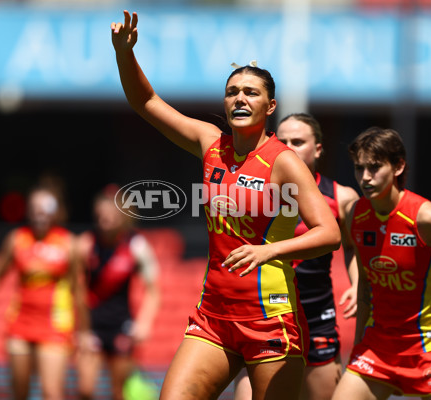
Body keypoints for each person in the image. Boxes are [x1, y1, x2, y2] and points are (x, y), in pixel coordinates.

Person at [111, 10, 341, 400]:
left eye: (251, 92)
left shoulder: (283, 161)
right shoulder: (209, 142)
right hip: (213, 315)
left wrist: (269, 250)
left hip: (271, 318)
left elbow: (330, 233)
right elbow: (145, 101)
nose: (240, 98)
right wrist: (124, 54)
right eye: (233, 91)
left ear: (270, 107)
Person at [332, 127, 431, 400]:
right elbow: (362, 280)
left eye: (374, 167)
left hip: (430, 347)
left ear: (398, 166)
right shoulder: (354, 214)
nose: (365, 177)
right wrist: (358, 345)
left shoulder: (427, 218)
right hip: (377, 348)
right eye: (359, 168)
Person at [234, 113, 360, 400]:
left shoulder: (342, 197)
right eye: (283, 140)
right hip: (264, 315)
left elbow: (353, 246)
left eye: (298, 141)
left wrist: (356, 284)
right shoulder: (256, 190)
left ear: (317, 148)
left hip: (316, 315)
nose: (289, 147)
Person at [0, 187, 87, 400]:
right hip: (20, 322)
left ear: (55, 212)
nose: (39, 214)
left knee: (52, 392)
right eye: (35, 209)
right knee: (20, 391)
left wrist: (83, 330)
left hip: (55, 324)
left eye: (44, 209)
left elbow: (78, 290)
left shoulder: (69, 243)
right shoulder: (17, 239)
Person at [76, 185, 160, 400]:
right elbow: (74, 289)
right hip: (91, 325)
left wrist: (144, 323)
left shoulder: (136, 246)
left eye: (111, 215)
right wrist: (81, 329)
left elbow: (153, 290)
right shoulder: (85, 244)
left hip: (120, 325)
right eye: (102, 215)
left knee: (118, 392)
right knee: (85, 390)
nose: (106, 220)